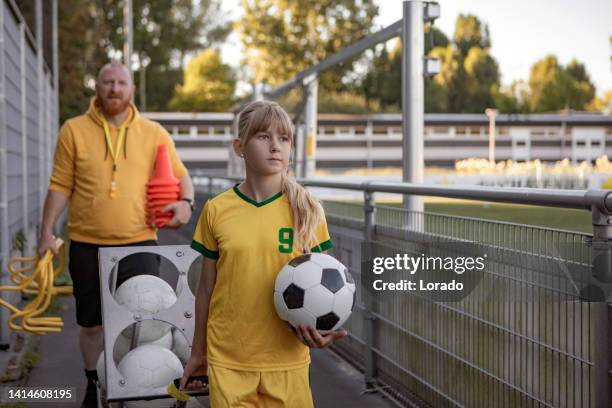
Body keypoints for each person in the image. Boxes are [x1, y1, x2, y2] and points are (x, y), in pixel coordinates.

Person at [37, 62, 194, 408]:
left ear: (131, 90)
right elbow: (60, 185)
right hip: (86, 243)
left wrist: (186, 203)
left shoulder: (154, 132)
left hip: (139, 242)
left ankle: (135, 388)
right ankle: (93, 383)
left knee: (141, 324)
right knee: (91, 324)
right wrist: (46, 230)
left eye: (121, 82)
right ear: (97, 86)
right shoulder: (73, 130)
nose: (114, 88)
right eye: (107, 81)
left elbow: (182, 177)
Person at [181, 100, 347, 407]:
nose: (275, 146)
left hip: (287, 361)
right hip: (229, 360)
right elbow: (205, 290)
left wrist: (323, 332)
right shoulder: (217, 209)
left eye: (283, 138)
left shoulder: (308, 210)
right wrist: (197, 353)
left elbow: (328, 287)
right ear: (239, 147)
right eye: (263, 136)